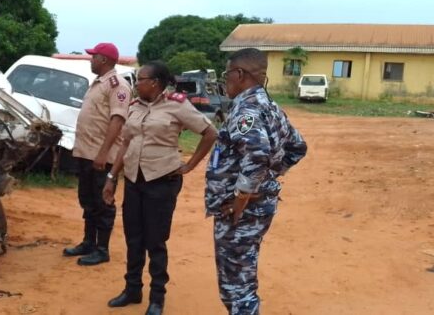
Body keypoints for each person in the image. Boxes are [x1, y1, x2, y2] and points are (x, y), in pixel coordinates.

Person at [103, 61, 218, 315]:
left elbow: (210, 133)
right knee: (133, 238)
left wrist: (189, 165)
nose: (136, 83)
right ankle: (132, 289)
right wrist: (112, 177)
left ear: (154, 83)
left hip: (162, 182)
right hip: (134, 181)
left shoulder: (177, 105)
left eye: (140, 78)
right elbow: (125, 143)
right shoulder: (134, 106)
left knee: (155, 241)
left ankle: (157, 298)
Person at [206, 48, 307, 314]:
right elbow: (298, 147)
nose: (226, 80)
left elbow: (258, 153)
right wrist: (269, 177)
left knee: (237, 288)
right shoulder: (270, 107)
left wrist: (242, 198)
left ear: (239, 74)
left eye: (227, 74)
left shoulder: (246, 110)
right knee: (241, 278)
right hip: (258, 206)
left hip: (242, 212)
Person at [63, 42, 132, 266]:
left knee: (103, 201)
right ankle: (88, 242)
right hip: (86, 152)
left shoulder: (117, 85)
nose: (90, 59)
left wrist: (102, 154)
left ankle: (102, 249)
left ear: (103, 60)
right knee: (88, 200)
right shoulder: (98, 83)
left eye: (93, 57)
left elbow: (117, 120)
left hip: (101, 156)